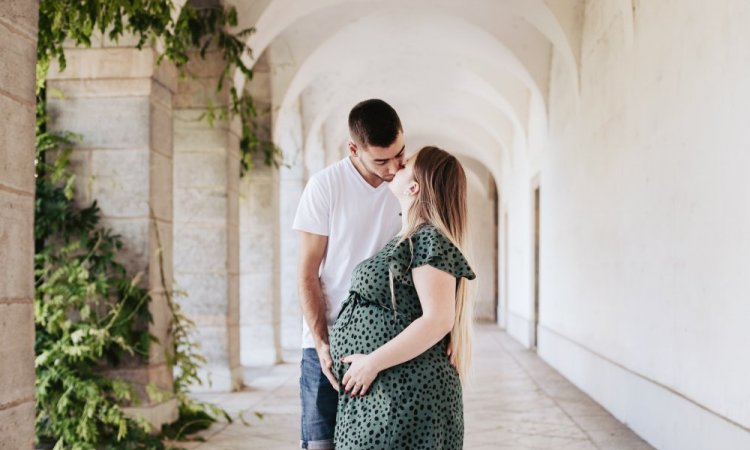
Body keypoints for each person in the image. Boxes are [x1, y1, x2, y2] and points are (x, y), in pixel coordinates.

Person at [329, 146, 476, 450]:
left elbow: (438, 318)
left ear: (413, 186)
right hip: (391, 393)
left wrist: (372, 363)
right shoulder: (409, 237)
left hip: (405, 394)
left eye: (405, 164)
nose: (396, 166)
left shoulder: (428, 238)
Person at [293, 99, 406, 450]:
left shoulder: (409, 185)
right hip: (326, 344)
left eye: (400, 154)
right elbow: (307, 274)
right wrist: (322, 343)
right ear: (353, 149)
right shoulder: (324, 186)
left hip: (387, 342)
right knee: (321, 444)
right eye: (382, 160)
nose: (394, 168)